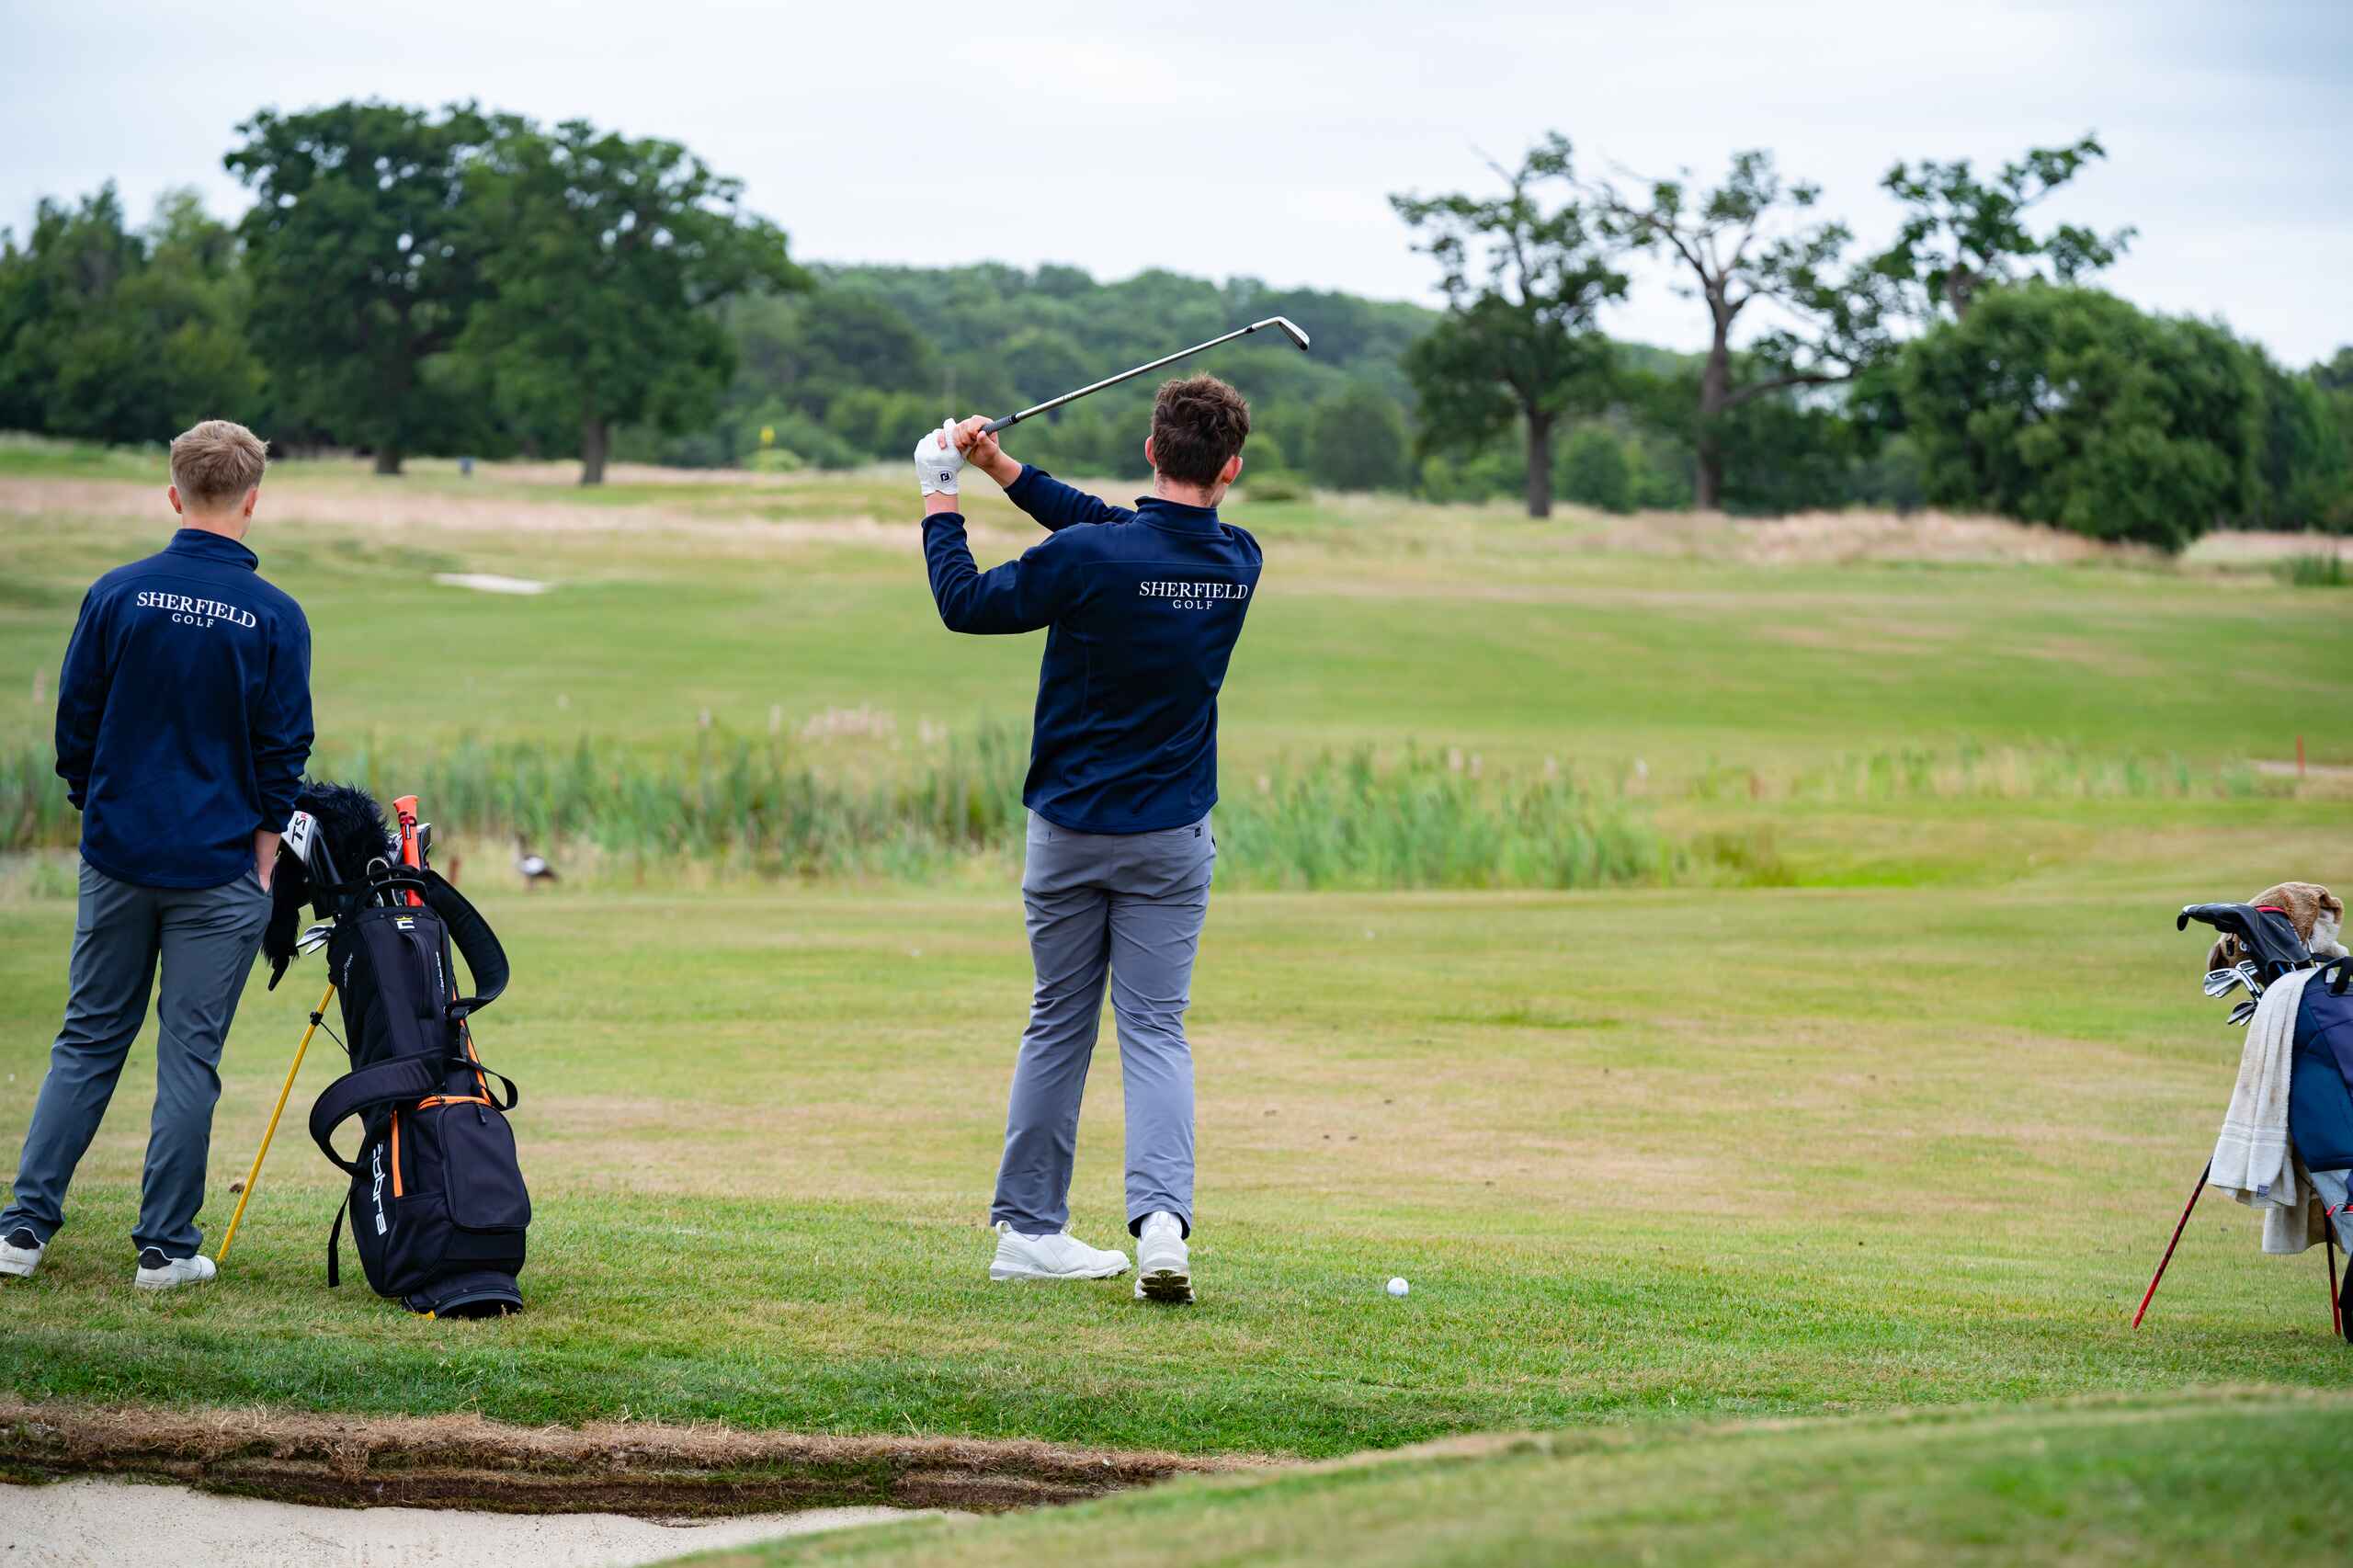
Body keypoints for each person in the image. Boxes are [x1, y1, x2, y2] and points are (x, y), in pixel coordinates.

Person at [915, 376, 1263, 1304]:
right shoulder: (1238, 559)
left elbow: (965, 601)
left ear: (1152, 450)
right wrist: (999, 467)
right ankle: (1159, 1225)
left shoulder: (1087, 558)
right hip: (1170, 839)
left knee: (1058, 1024)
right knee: (1153, 1030)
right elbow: (1127, 529)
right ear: (1229, 468)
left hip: (1067, 835)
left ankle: (1029, 1230)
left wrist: (941, 490)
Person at [0, 420, 313, 1291]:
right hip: (218, 869)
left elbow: (76, 728)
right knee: (189, 1057)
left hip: (121, 855)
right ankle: (165, 1250)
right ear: (253, 501)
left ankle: (20, 1234)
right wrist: (260, 858)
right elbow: (284, 753)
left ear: (175, 495)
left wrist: (99, 816)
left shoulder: (118, 593)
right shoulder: (276, 615)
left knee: (88, 1040)